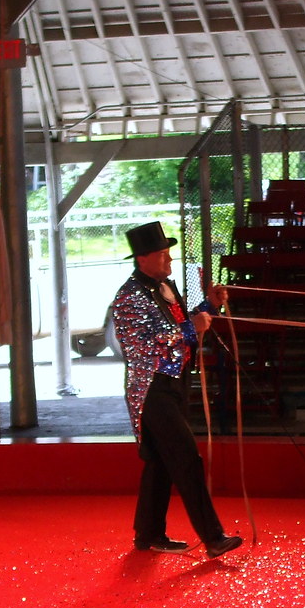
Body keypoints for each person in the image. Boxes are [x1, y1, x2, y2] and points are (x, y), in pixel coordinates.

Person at [112, 221, 243, 558]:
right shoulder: (128, 297)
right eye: (162, 254)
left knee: (160, 461)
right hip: (152, 388)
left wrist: (209, 307)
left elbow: (182, 326)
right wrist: (190, 328)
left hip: (174, 383)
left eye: (168, 253)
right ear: (143, 259)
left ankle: (148, 534)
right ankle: (213, 537)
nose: (169, 260)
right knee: (186, 458)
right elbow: (142, 345)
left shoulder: (165, 287)